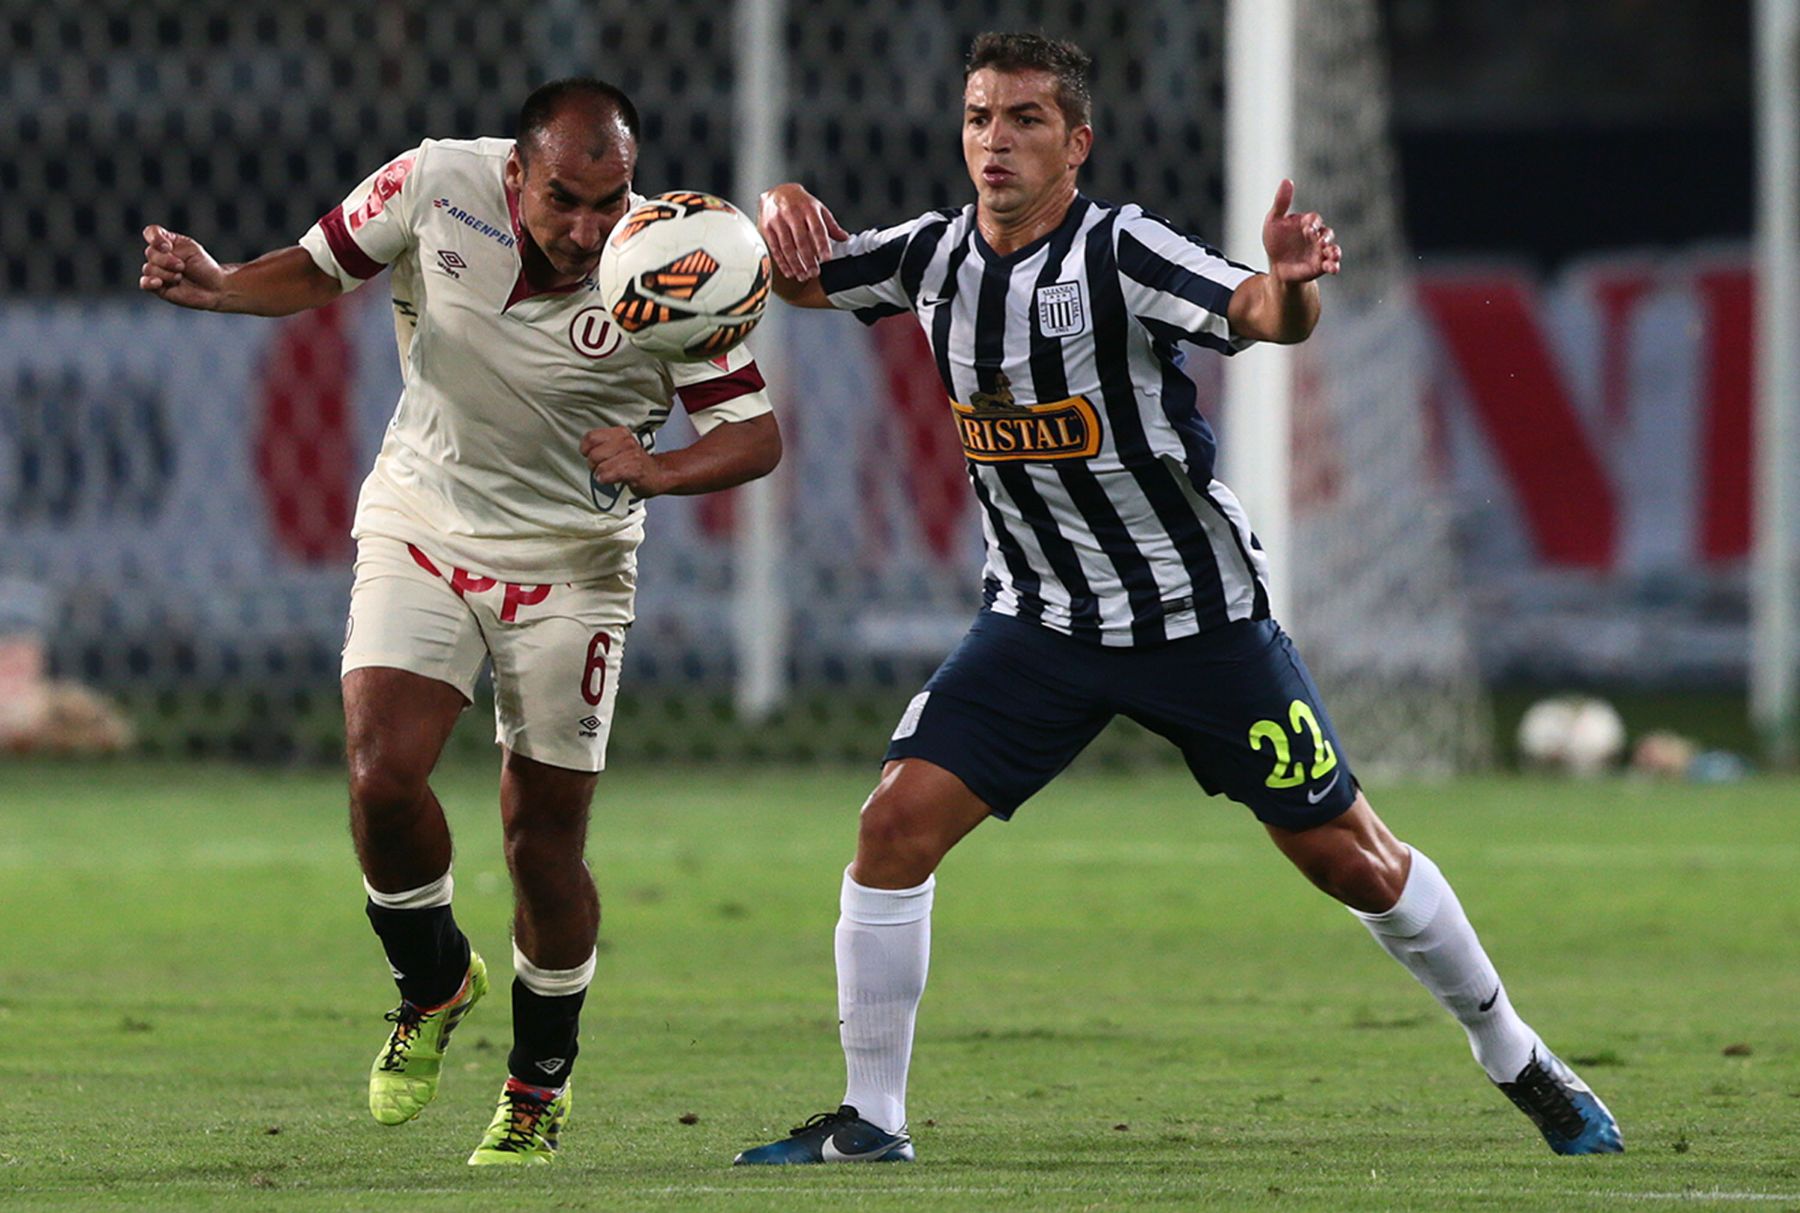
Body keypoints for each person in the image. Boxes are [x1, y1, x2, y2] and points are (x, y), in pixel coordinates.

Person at [734, 32, 1621, 1165]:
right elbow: (789, 269)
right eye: (978, 117)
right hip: (1041, 623)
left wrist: (1294, 287)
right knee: (891, 828)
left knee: (1352, 857)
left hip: (1200, 621)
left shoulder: (1123, 251)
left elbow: (1258, 312)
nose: (994, 141)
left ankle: (1515, 1052)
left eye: (1025, 120)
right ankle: (872, 1121)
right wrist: (775, 200)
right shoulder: (931, 258)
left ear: (1077, 142)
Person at [140, 78, 781, 1166]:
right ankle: (434, 980)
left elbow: (755, 435)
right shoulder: (439, 181)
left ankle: (538, 1080)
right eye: (566, 200)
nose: (589, 230)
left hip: (576, 565)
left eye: (610, 199)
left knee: (542, 845)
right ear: (516, 173)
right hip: (424, 518)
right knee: (379, 775)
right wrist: (222, 287)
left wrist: (658, 468)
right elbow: (321, 262)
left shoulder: (670, 261)